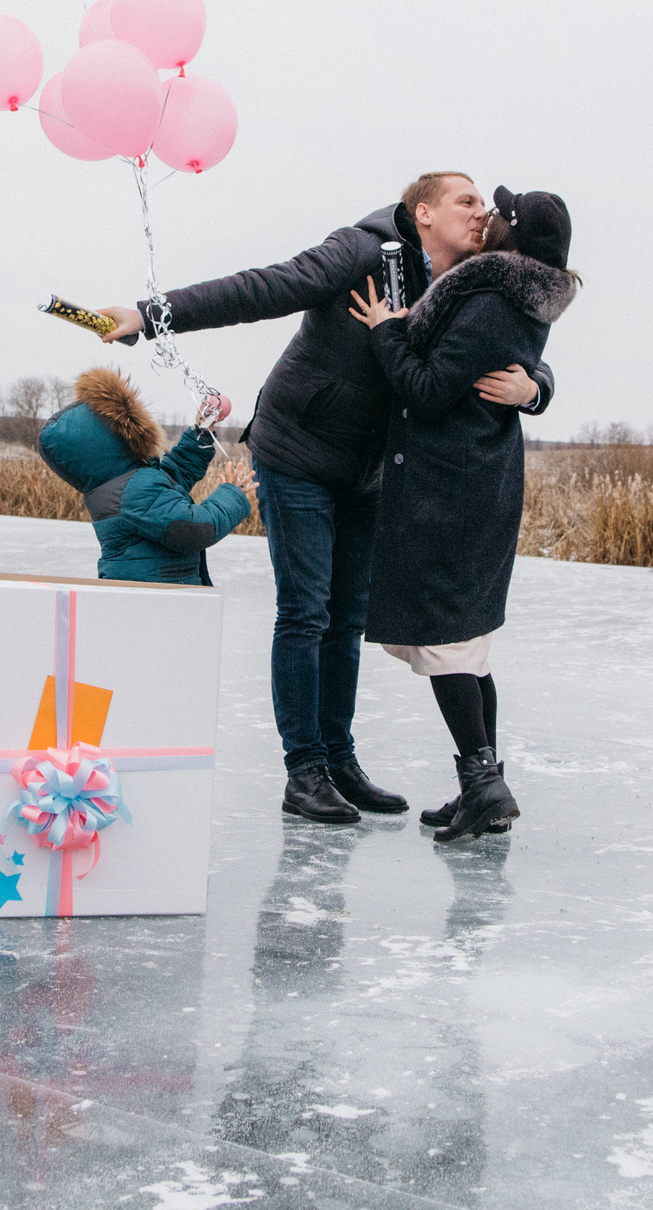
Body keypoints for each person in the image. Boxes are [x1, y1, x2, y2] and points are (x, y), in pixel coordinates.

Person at [94, 173, 555, 824]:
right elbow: (262, 288)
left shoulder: (468, 279)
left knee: (347, 618)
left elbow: (510, 335)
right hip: (298, 451)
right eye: (467, 200)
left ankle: (340, 760)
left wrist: (535, 387)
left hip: (369, 468)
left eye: (484, 203)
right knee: (306, 611)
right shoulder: (361, 250)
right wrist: (148, 314)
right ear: (423, 211)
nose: (482, 212)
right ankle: (305, 770)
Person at [348, 187, 578, 844]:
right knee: (468, 645)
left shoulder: (488, 299)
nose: (487, 216)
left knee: (447, 641)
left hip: (452, 488)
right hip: (482, 480)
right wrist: (535, 388)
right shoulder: (519, 295)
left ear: (513, 234)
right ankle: (484, 787)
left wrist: (387, 331)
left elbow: (426, 390)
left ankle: (484, 785)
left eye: (498, 212)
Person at [36, 367, 259, 586]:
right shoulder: (134, 490)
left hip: (154, 592)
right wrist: (231, 496)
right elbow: (193, 529)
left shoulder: (123, 484)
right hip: (159, 599)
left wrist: (200, 434)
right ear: (112, 439)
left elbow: (173, 477)